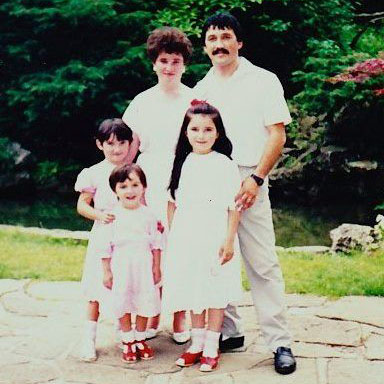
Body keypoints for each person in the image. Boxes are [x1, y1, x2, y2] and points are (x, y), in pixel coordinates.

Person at [194, 13, 297, 375]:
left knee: (262, 262)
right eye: (212, 38)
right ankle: (229, 330)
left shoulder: (263, 81)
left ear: (240, 42)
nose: (219, 44)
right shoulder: (201, 89)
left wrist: (256, 178)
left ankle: (279, 342)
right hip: (211, 178)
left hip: (250, 176)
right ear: (205, 46)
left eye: (226, 36)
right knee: (215, 255)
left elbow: (277, 134)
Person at [122, 26, 193, 344]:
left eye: (175, 61)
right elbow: (130, 148)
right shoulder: (141, 102)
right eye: (164, 60)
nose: (169, 67)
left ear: (184, 64)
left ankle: (180, 320)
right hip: (148, 181)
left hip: (184, 180)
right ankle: (150, 315)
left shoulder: (195, 100)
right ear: (154, 63)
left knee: (179, 252)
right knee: (150, 249)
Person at [162, 101, 243, 372]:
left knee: (214, 292)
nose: (201, 135)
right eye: (194, 129)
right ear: (186, 132)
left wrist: (229, 240)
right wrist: (174, 236)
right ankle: (195, 344)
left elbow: (234, 207)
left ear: (218, 133)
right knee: (194, 289)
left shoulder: (225, 165)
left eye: (208, 129)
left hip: (215, 236)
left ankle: (211, 345)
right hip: (187, 237)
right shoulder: (181, 163)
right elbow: (172, 201)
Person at [74, 118, 133, 361]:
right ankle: (89, 338)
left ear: (129, 144)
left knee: (126, 285)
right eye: (110, 143)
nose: (116, 148)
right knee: (96, 289)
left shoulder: (134, 172)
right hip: (103, 237)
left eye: (121, 143)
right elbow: (82, 206)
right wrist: (100, 215)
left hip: (129, 239)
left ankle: (125, 333)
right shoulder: (93, 173)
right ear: (100, 145)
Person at [97, 164, 162, 363]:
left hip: (143, 264)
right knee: (123, 301)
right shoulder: (112, 216)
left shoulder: (149, 215)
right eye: (123, 186)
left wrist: (156, 266)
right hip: (121, 265)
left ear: (143, 187)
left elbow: (156, 243)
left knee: (144, 300)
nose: (130, 191)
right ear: (115, 190)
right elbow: (104, 247)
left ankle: (140, 337)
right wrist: (107, 271)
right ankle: (127, 339)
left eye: (135, 185)